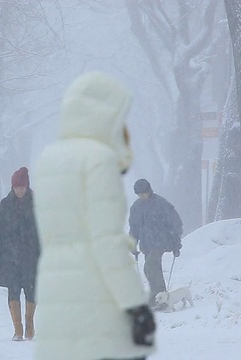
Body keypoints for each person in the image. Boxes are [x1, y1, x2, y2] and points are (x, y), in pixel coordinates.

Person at [33, 72, 156, 360]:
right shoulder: (99, 160)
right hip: (96, 304)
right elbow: (105, 243)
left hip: (57, 301)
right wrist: (135, 307)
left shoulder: (49, 159)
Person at [0, 167, 40, 341]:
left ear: (27, 186)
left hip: (31, 254)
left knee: (31, 290)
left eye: (22, 187)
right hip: (9, 255)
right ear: (12, 187)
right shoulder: (5, 204)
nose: (19, 190)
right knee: (13, 290)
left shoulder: (37, 204)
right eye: (16, 187)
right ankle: (18, 329)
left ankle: (29, 321)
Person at [129, 179, 183, 307]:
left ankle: (160, 297)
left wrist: (176, 241)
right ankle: (159, 296)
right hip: (146, 244)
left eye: (144, 193)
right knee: (150, 270)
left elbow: (175, 222)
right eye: (139, 194)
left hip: (161, 241)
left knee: (151, 267)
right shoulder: (136, 208)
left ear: (149, 191)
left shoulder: (161, 204)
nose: (142, 196)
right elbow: (134, 227)